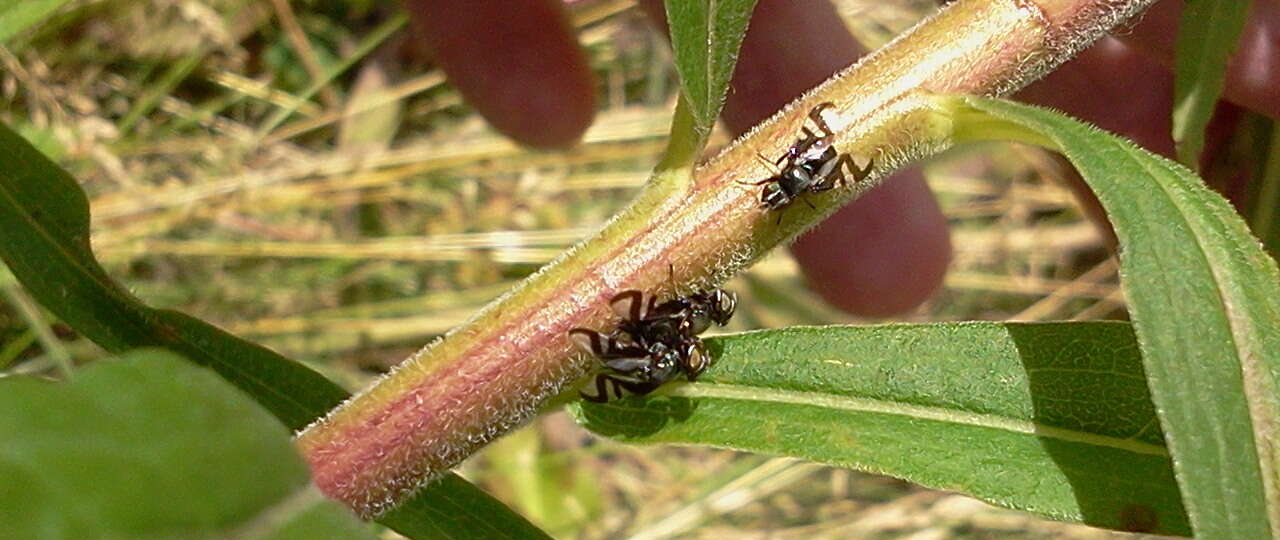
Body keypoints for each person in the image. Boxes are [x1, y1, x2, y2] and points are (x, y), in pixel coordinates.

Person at [407, 0, 1280, 316]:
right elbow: (809, 167)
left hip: (802, 174)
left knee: (855, 230)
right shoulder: (805, 168)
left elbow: (806, 168)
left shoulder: (801, 169)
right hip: (803, 173)